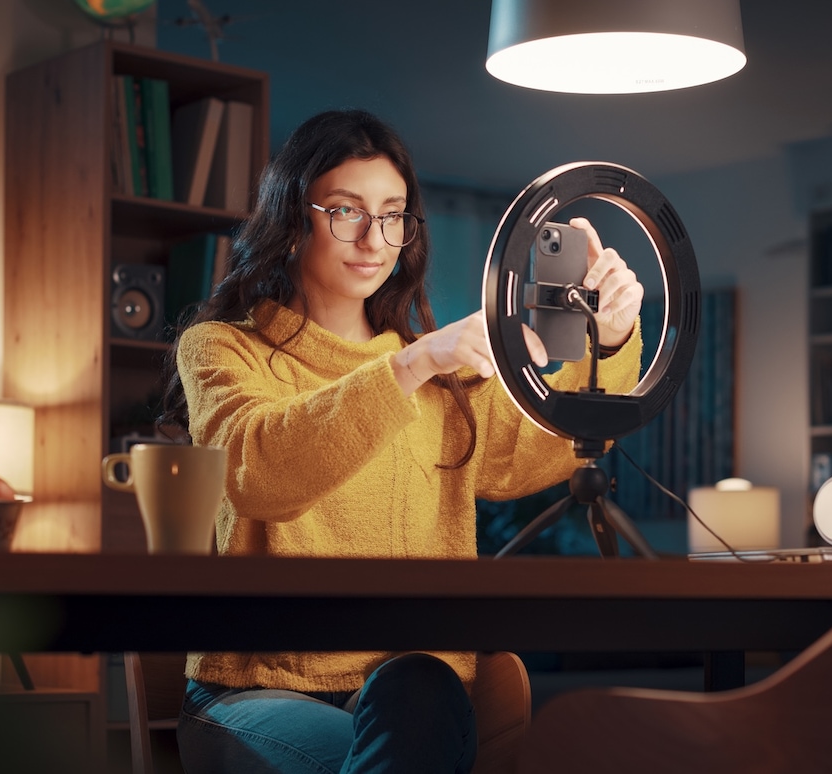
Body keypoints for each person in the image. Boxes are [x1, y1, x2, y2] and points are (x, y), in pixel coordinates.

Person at [159, 108, 645, 774]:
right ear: (292, 219)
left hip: (416, 696)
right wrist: (410, 366)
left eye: (392, 214)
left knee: (417, 687)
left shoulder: (437, 369)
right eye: (345, 210)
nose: (373, 238)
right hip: (254, 694)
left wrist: (610, 342)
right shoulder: (223, 349)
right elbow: (256, 471)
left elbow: (548, 448)